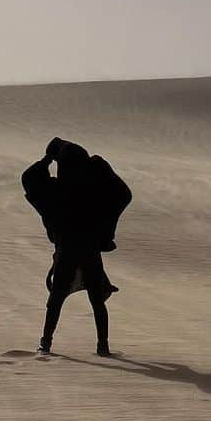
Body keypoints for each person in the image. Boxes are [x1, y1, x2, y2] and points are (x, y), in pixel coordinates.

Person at [21, 137, 132, 357]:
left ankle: (46, 342)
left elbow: (29, 178)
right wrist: (99, 165)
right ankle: (102, 346)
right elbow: (123, 194)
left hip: (67, 250)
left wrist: (47, 159)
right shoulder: (94, 192)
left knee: (57, 298)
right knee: (95, 299)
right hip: (88, 249)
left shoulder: (56, 190)